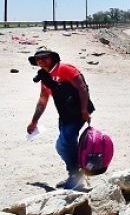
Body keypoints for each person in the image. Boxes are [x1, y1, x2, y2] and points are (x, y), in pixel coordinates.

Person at [26, 47, 94, 190]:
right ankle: (75, 173)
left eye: (45, 56)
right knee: (69, 144)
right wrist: (34, 120)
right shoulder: (44, 76)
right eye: (38, 58)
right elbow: (43, 99)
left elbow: (83, 88)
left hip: (78, 113)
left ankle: (76, 174)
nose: (41, 60)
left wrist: (83, 110)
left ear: (53, 57)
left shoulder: (65, 68)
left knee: (62, 145)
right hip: (65, 115)